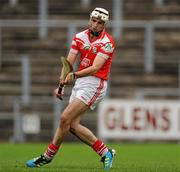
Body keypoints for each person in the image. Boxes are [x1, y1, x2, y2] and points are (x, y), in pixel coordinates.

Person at [26, 7, 116, 170]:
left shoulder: (107, 43)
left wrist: (74, 76)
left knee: (64, 118)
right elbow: (68, 63)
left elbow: (95, 68)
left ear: (104, 25)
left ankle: (47, 156)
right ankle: (105, 153)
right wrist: (61, 84)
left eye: (100, 23)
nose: (95, 25)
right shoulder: (79, 37)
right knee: (72, 125)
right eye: (93, 21)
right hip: (81, 82)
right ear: (90, 19)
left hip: (96, 83)